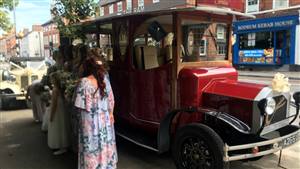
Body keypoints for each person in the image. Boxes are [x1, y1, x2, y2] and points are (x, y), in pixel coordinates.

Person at [74, 56, 117, 169]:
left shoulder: (84, 82)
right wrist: (111, 114)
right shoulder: (105, 81)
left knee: (91, 147)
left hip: (89, 122)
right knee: (104, 144)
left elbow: (79, 106)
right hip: (104, 121)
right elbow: (111, 100)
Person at [48, 72, 71, 155]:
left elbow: (54, 104)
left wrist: (51, 115)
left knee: (58, 127)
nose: (51, 80)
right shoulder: (60, 88)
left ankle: (61, 146)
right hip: (61, 110)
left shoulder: (55, 89)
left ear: (55, 80)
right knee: (62, 126)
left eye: (52, 79)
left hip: (57, 110)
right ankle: (64, 145)